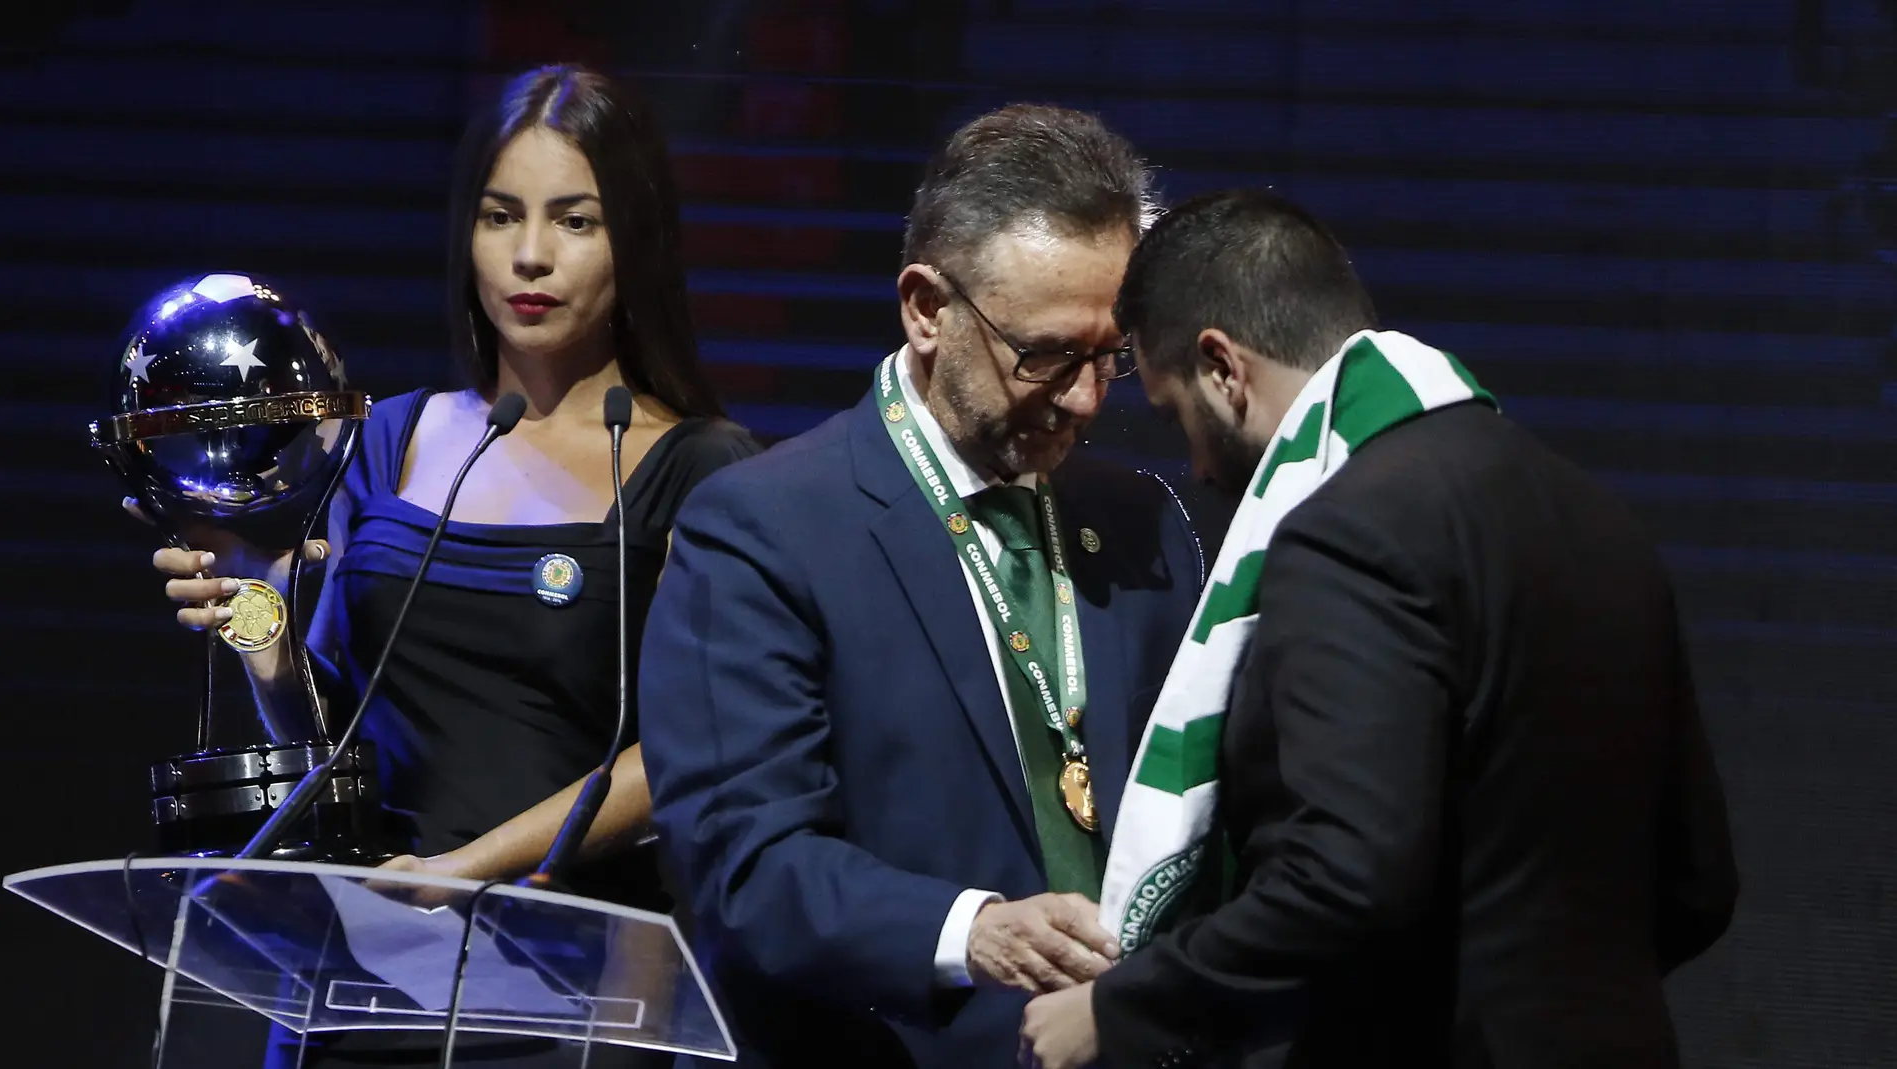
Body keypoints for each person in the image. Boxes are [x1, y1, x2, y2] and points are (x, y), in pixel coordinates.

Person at [1019, 188, 1740, 1069]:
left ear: (1223, 368)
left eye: (1176, 417)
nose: (1198, 470)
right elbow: (1700, 882)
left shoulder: (1348, 532)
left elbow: (1347, 875)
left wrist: (1125, 1007)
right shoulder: (1601, 521)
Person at [144, 64, 760, 1067]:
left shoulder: (703, 469)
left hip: (572, 987)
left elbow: (694, 750)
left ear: (634, 239)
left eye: (574, 221)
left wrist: (469, 867)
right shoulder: (390, 439)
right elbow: (330, 744)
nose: (529, 256)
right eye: (499, 216)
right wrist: (263, 634)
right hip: (361, 982)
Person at [635, 104, 1203, 1068]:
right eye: (1045, 354)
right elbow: (746, 861)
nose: (1084, 399)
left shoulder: (1144, 521)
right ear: (925, 307)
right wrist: (968, 930)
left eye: (1109, 356)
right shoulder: (765, 529)